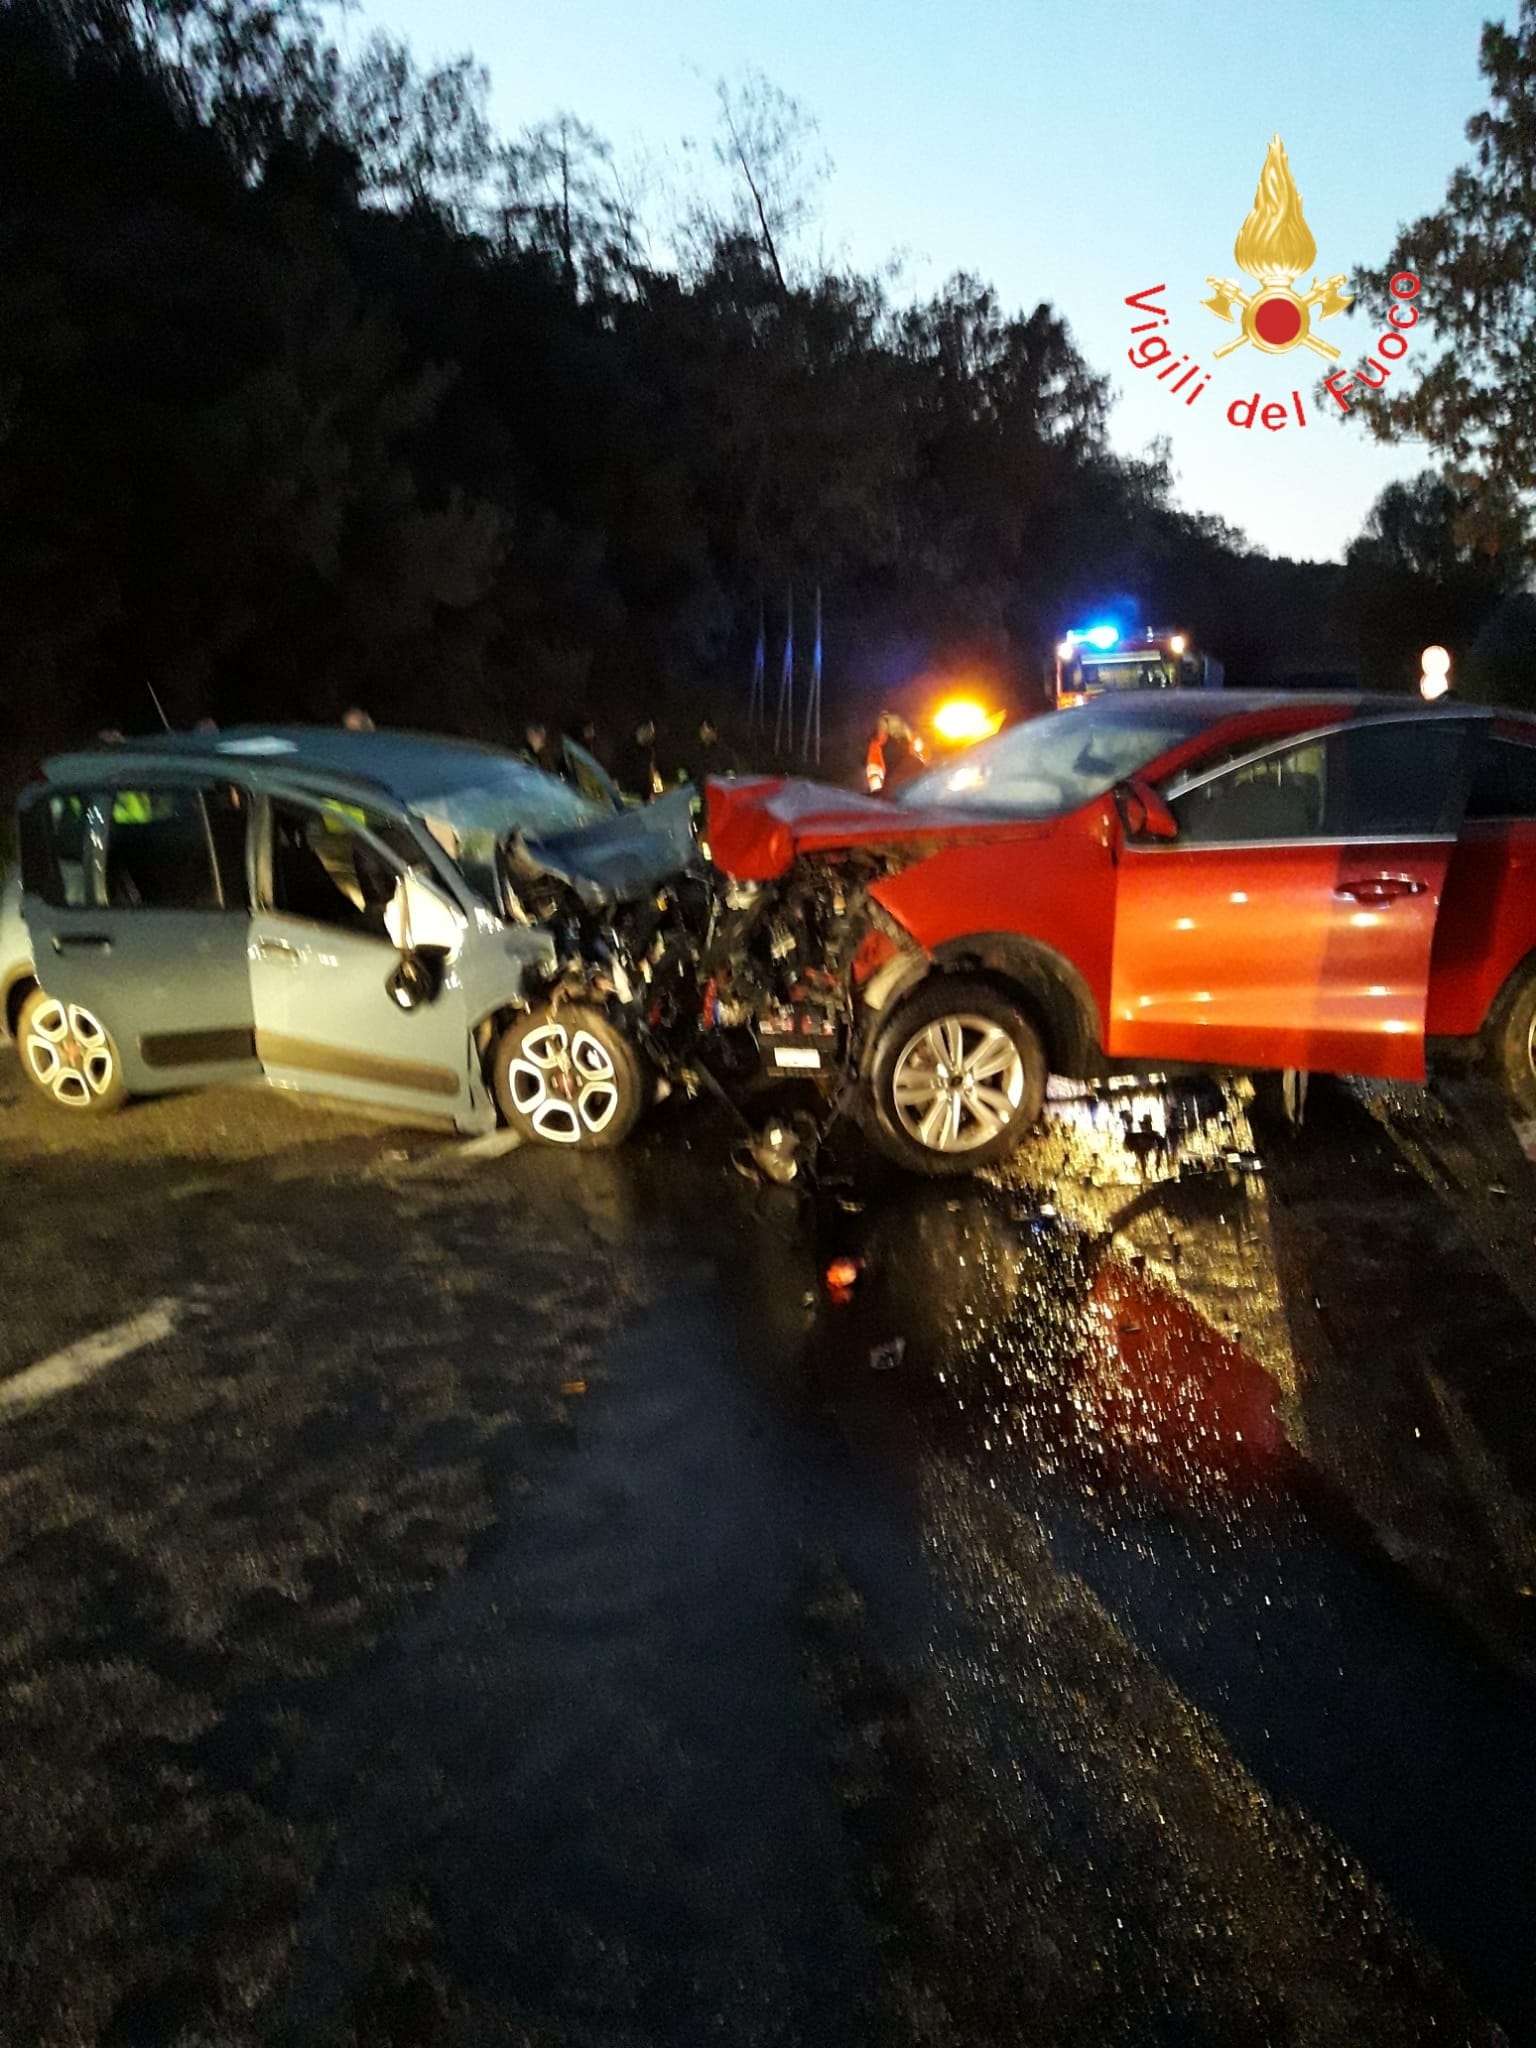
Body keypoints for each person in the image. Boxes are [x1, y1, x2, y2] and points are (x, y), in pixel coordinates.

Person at [620, 718, 664, 801]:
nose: (652, 733)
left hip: (645, 795)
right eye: (650, 730)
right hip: (631, 795)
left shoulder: (649, 751)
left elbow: (652, 770)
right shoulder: (626, 749)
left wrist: (656, 788)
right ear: (642, 729)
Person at [688, 716, 740, 784]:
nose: (705, 733)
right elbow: (689, 771)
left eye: (707, 729)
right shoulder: (695, 752)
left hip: (718, 788)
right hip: (699, 789)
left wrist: (729, 783)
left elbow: (731, 772)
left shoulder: (726, 752)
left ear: (714, 731)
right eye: (702, 729)